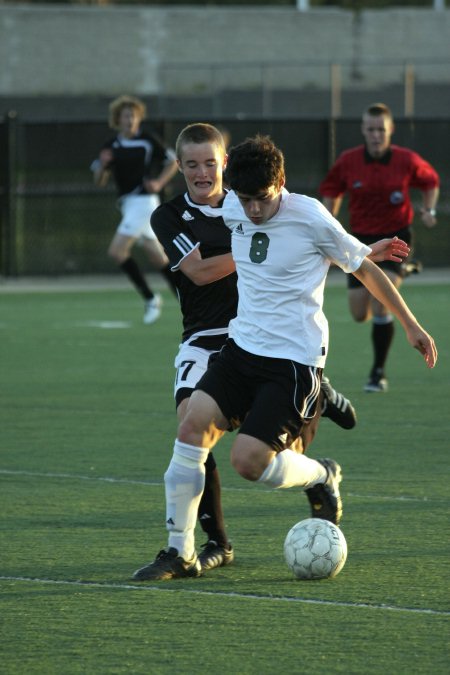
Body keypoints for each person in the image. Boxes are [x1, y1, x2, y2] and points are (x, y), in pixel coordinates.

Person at [132, 132, 432, 582]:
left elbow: (363, 269)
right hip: (240, 349)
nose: (253, 210)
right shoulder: (233, 204)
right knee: (191, 425)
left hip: (293, 361)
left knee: (248, 464)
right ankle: (181, 552)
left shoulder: (310, 215)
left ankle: (321, 475)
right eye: (246, 199)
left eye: (263, 199)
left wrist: (411, 325)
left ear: (282, 183)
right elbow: (268, 255)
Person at [319, 102, 440, 392]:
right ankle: (404, 274)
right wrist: (328, 223)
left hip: (396, 238)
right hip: (360, 241)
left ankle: (377, 374)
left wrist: (429, 210)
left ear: (390, 131)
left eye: (381, 130)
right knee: (360, 313)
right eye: (371, 129)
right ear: (363, 130)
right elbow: (331, 191)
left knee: (381, 303)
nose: (376, 135)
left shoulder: (406, 160)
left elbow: (431, 181)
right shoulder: (348, 161)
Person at [92, 95, 179, 324]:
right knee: (158, 257)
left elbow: (174, 161)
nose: (130, 120)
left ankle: (150, 298)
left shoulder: (148, 139)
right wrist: (101, 165)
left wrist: (159, 183)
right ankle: (188, 298)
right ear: (117, 120)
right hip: (128, 205)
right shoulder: (111, 145)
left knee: (117, 251)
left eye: (134, 116)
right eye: (125, 116)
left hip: (144, 202)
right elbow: (100, 180)